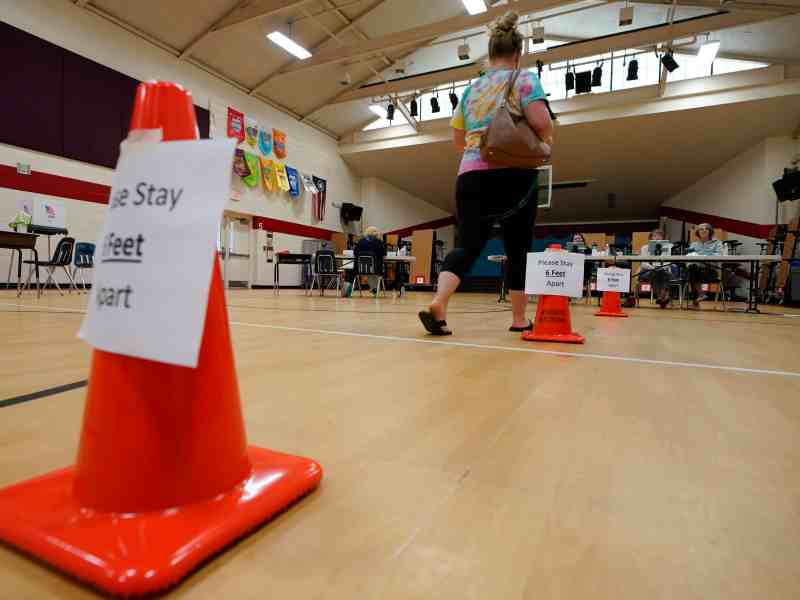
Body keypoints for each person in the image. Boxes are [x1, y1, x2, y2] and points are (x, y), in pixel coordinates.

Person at [418, 11, 554, 336]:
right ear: (518, 53)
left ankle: (439, 303)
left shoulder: (471, 90)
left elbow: (457, 140)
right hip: (515, 176)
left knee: (468, 244)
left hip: (470, 174)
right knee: (517, 246)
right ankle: (520, 319)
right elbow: (543, 125)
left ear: (490, 54)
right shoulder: (524, 80)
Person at [687, 223, 724, 308]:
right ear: (698, 232)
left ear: (710, 231)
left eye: (706, 229)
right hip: (696, 269)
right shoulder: (694, 244)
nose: (703, 230)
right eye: (701, 229)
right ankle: (700, 295)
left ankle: (697, 298)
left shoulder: (717, 243)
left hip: (710, 270)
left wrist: (704, 256)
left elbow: (719, 255)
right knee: (691, 269)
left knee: (693, 272)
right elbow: (688, 257)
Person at [638, 229, 673, 308]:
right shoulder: (645, 248)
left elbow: (669, 262)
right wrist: (653, 267)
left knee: (662, 273)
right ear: (650, 238)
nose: (657, 238)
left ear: (663, 238)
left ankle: (660, 297)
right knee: (656, 273)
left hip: (664, 270)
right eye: (655, 236)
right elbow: (643, 263)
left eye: (659, 236)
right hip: (648, 271)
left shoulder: (667, 247)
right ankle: (664, 296)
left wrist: (661, 267)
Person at [351, 226, 386, 295]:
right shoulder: (379, 242)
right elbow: (384, 253)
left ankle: (374, 288)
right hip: (375, 268)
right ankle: (375, 288)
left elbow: (355, 253)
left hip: (360, 269)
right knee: (373, 270)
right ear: (376, 233)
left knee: (370, 269)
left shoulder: (361, 242)